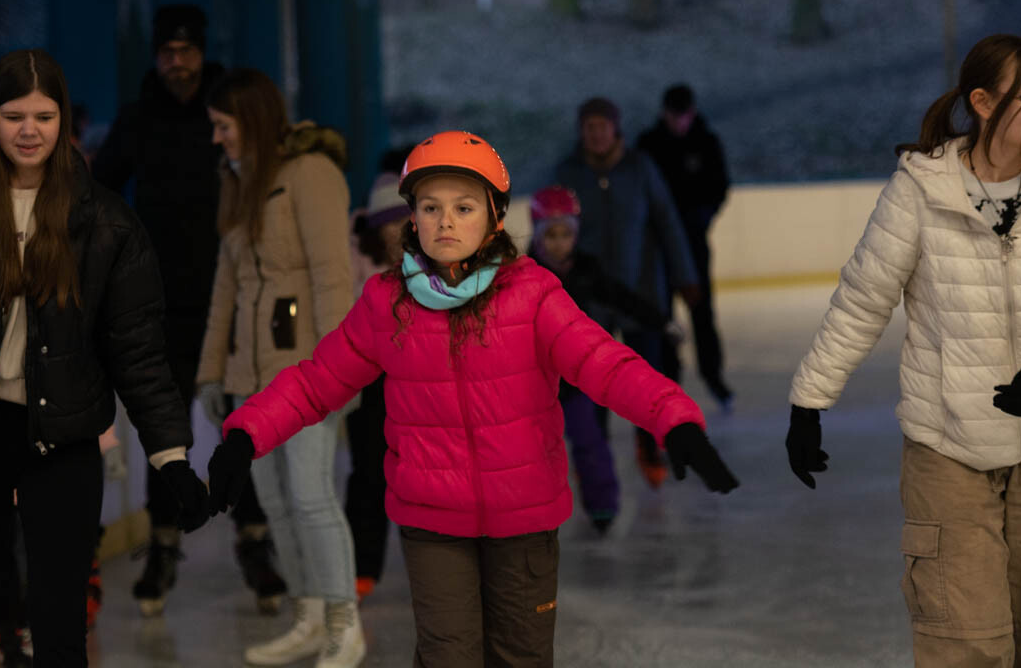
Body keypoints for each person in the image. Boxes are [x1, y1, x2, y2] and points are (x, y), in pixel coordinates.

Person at [207, 130, 739, 668]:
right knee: (447, 658)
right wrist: (246, 435)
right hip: (433, 523)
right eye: (431, 207)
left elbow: (605, 364)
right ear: (411, 217)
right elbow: (315, 382)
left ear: (495, 217)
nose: (445, 221)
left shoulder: (533, 295)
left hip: (524, 519)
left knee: (521, 656)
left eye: (463, 207)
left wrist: (676, 422)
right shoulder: (386, 304)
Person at [0, 49, 209, 666]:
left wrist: (172, 458)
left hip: (63, 444)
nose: (29, 130)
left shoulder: (106, 223)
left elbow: (139, 353)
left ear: (63, 123)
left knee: (57, 634)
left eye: (44, 115)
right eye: (14, 114)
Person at [787, 34, 1021, 667]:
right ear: (982, 102)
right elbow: (863, 301)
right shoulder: (921, 192)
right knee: (965, 644)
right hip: (949, 451)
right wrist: (810, 402)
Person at [92, 4, 274, 615]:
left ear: (201, 53)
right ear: (155, 57)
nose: (177, 61)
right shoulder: (138, 120)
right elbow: (97, 193)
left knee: (238, 425)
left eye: (186, 50)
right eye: (167, 51)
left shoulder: (224, 115)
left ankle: (255, 543)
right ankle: (163, 547)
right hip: (156, 302)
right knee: (162, 429)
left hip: (227, 297)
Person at [195, 68, 360, 666]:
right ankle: (309, 615)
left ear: (254, 121)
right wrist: (212, 372)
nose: (217, 138)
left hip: (309, 373)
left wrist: (338, 373)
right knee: (277, 501)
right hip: (252, 376)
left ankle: (345, 623)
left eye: (224, 126)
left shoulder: (311, 175)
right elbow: (226, 288)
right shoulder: (238, 180)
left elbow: (332, 278)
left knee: (313, 496)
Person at [555, 97, 700, 487]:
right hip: (589, 301)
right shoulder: (568, 173)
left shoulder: (639, 168)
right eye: (590, 128)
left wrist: (685, 277)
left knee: (643, 382)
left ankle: (649, 448)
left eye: (603, 126)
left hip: (639, 293)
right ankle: (596, 457)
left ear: (615, 129)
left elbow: (667, 221)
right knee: (593, 386)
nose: (597, 134)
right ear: (582, 132)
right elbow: (551, 232)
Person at [529, 184, 678, 531]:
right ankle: (524, 519)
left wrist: (661, 321)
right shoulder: (521, 274)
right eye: (550, 234)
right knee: (526, 455)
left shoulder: (586, 269)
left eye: (566, 234)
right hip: (531, 381)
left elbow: (621, 297)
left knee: (591, 443)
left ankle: (602, 508)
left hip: (573, 379)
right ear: (537, 234)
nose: (558, 242)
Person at [638, 84, 734, 409]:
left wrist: (701, 219)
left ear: (692, 113)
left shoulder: (706, 143)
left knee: (702, 312)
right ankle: (668, 381)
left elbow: (719, 186)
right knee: (662, 315)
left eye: (685, 116)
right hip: (659, 248)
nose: (680, 122)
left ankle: (714, 377)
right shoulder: (649, 146)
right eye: (674, 116)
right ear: (665, 113)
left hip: (693, 244)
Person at [344, 173, 407, 599]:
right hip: (369, 381)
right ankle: (361, 566)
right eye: (388, 222)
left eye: (403, 222)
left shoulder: (434, 257)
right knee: (369, 473)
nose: (395, 232)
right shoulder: (354, 260)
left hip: (417, 382)